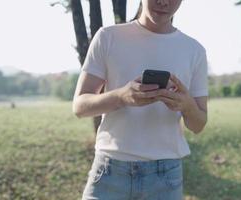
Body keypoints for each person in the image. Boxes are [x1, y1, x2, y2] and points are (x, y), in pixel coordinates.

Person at [72, 0, 208, 199]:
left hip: (165, 176)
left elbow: (199, 124)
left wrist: (187, 106)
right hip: (110, 170)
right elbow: (80, 106)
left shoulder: (194, 50)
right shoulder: (108, 36)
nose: (163, 2)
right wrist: (121, 96)